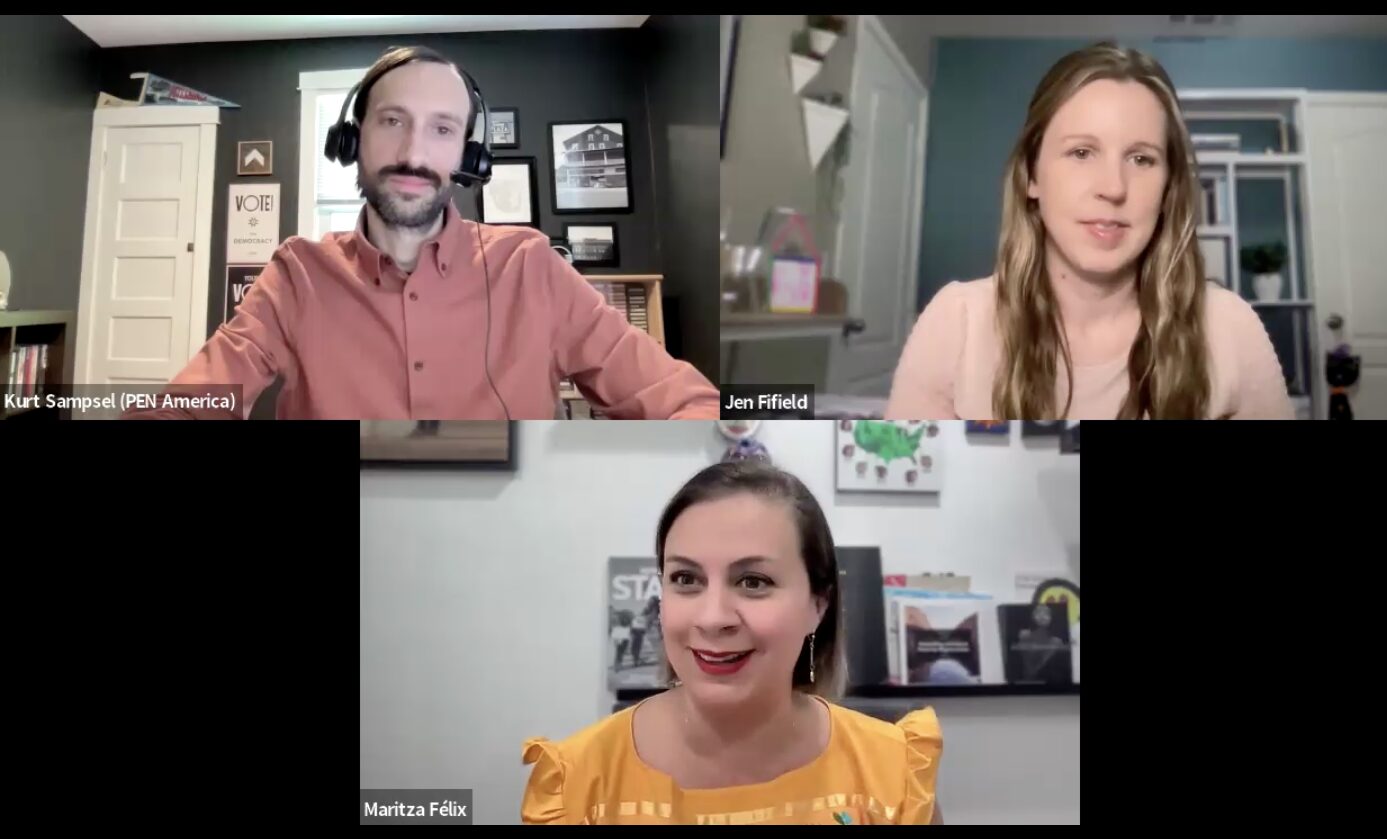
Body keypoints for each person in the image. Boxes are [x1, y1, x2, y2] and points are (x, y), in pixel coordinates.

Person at [124, 46, 718, 420]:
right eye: (392, 122)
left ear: (469, 153)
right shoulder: (296, 274)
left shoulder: (531, 265)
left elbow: (677, 399)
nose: (413, 153)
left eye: (441, 129)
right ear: (352, 141)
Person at [520, 461, 943, 825]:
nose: (713, 617)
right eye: (686, 579)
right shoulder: (576, 786)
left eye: (753, 582)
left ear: (819, 603)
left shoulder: (893, 778)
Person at [886, 42, 1293, 420]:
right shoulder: (957, 324)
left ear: (1169, 187)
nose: (1113, 187)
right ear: (1032, 176)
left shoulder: (1229, 329)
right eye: (1081, 152)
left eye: (1141, 158)